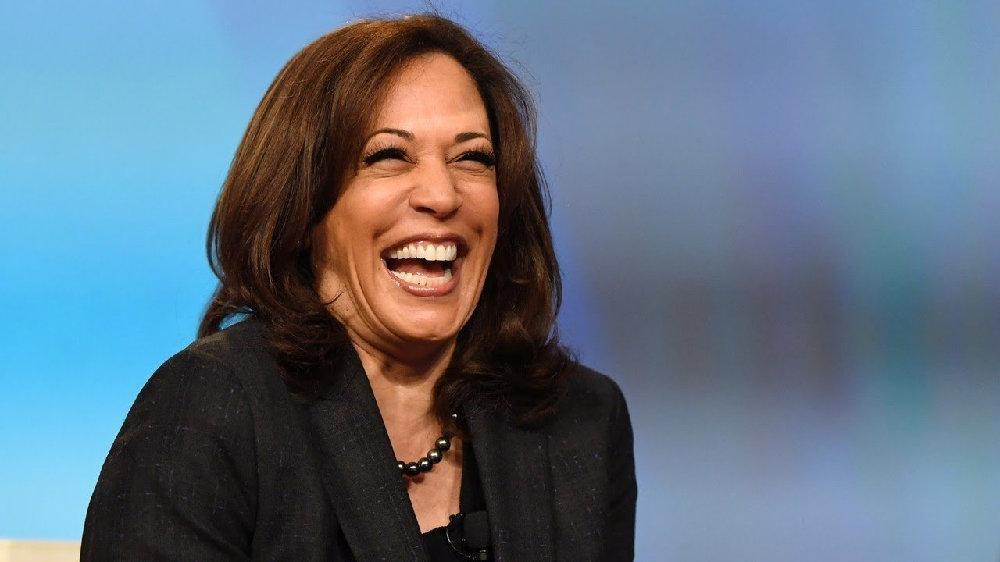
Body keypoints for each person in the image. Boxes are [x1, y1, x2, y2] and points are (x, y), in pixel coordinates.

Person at [82, 13, 636, 561]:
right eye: (389, 156)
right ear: (303, 205)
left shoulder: (579, 421)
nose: (442, 196)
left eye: (471, 158)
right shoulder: (213, 410)